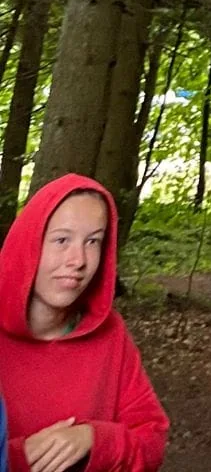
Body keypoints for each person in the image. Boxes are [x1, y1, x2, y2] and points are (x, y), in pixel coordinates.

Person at [0, 173, 168, 472]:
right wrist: (15, 457)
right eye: (61, 240)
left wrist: (93, 438)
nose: (78, 260)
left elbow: (151, 441)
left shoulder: (111, 335)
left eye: (93, 241)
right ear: (28, 243)